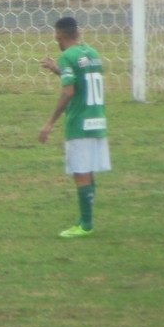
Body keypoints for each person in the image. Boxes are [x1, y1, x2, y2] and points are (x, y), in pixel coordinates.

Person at [39, 17, 111, 238]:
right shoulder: (91, 53)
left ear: (59, 35)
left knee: (80, 172)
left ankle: (85, 225)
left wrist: (49, 123)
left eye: (56, 37)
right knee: (87, 171)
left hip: (79, 123)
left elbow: (69, 91)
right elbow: (80, 80)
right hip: (97, 120)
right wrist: (56, 70)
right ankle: (84, 219)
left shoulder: (67, 56)